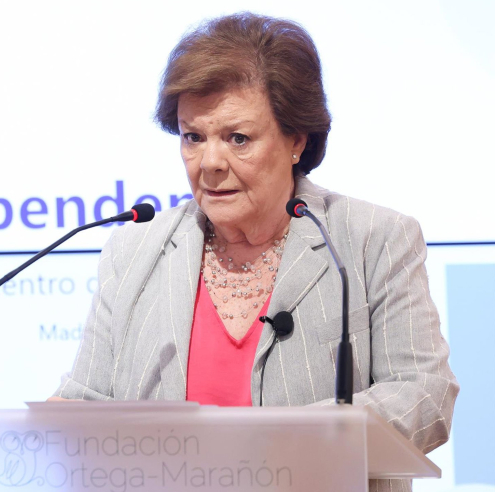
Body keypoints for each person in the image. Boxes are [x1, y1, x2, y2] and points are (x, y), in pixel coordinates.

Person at [52, 13, 458, 491]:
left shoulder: (373, 239)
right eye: (193, 137)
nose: (210, 163)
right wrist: (56, 427)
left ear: (296, 140)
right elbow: (83, 402)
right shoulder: (134, 250)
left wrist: (288, 441)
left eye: (237, 138)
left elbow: (424, 395)